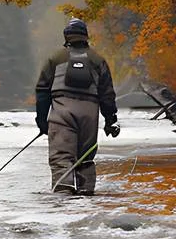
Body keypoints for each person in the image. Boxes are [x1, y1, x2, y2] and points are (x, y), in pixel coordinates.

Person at [34, 18, 118, 195]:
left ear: (66, 37)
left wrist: (42, 121)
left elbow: (42, 91)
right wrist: (111, 120)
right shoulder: (98, 60)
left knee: (61, 158)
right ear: (85, 36)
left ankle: (63, 202)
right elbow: (107, 95)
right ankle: (85, 197)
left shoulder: (55, 58)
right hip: (89, 113)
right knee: (85, 159)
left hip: (62, 112)